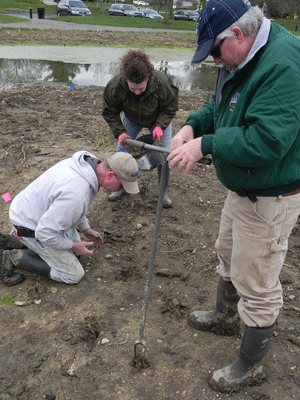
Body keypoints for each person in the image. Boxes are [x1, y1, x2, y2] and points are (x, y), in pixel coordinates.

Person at [167, 0, 300, 393]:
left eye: (215, 51)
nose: (214, 61)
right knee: (227, 251)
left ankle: (251, 362)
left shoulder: (283, 64)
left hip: (270, 195)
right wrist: (193, 127)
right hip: (243, 186)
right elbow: (221, 105)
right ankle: (225, 314)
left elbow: (268, 140)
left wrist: (207, 144)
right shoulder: (240, 59)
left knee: (256, 278)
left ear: (237, 34)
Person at [1, 151, 139, 286]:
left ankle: (19, 240)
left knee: (75, 254)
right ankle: (12, 256)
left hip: (35, 210)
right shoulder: (76, 194)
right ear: (109, 176)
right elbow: (44, 233)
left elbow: (75, 206)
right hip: (31, 225)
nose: (122, 190)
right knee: (73, 274)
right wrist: (73, 246)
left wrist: (85, 228)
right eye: (122, 186)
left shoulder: (88, 166)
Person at [102, 49, 179, 208]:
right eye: (133, 89)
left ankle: (163, 192)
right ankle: (121, 186)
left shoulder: (161, 83)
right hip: (131, 119)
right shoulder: (115, 86)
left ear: (148, 77)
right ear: (125, 79)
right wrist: (120, 132)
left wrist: (160, 125)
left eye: (141, 89)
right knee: (121, 151)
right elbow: (109, 111)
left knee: (165, 155)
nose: (137, 92)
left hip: (157, 120)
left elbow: (170, 107)